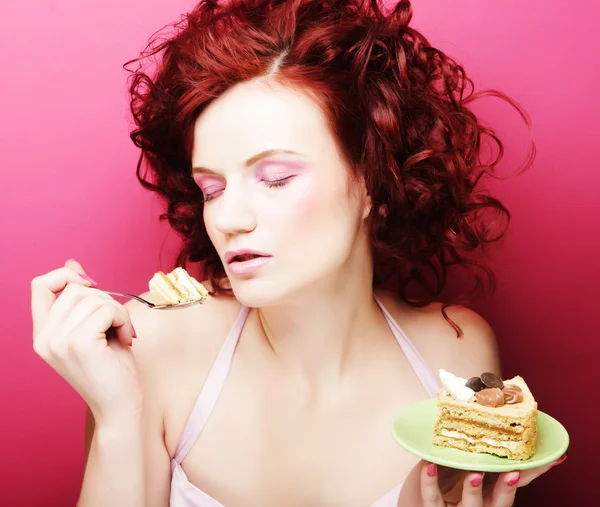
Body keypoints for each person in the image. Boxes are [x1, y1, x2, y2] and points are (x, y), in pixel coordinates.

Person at [30, 1, 565, 506]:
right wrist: (118, 414)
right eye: (211, 188)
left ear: (372, 182)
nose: (228, 217)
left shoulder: (455, 350)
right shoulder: (152, 345)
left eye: (276, 178)